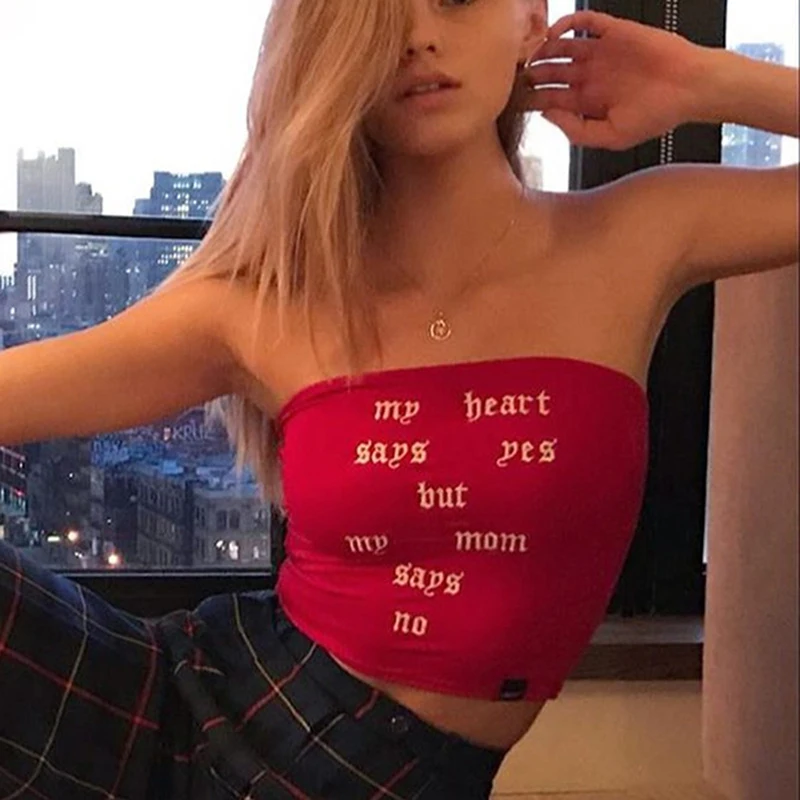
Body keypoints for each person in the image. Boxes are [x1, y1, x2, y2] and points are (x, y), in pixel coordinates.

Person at [2, 0, 798, 798]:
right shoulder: (260, 304)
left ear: (531, 18)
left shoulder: (635, 235)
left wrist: (703, 79)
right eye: (376, 15)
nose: (417, 37)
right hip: (180, 726)